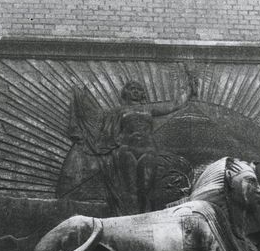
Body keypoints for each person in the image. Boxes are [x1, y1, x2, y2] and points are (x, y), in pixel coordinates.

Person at [67, 68, 196, 215]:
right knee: (130, 189)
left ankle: (146, 217)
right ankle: (130, 217)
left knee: (147, 188)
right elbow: (97, 119)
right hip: (126, 151)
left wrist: (190, 88)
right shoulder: (118, 111)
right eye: (132, 89)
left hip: (148, 150)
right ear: (126, 93)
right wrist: (81, 101)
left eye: (139, 89)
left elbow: (175, 105)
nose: (135, 91)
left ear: (142, 94)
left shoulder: (149, 108)